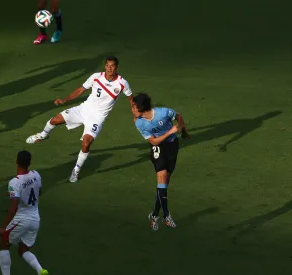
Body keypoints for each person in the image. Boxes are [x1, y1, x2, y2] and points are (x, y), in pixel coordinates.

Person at [26, 56, 132, 182]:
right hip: (83, 110)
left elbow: (131, 99)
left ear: (117, 67)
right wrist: (65, 99)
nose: (110, 68)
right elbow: (81, 89)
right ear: (105, 66)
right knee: (55, 120)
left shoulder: (122, 83)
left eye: (112, 65)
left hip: (97, 118)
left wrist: (136, 114)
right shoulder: (96, 76)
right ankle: (43, 135)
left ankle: (76, 171)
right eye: (108, 65)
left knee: (86, 143)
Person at [130, 93, 190, 231]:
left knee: (163, 184)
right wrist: (170, 132)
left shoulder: (162, 112)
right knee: (161, 178)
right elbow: (153, 141)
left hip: (172, 146)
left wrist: (184, 131)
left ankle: (155, 214)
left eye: (133, 107)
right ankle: (166, 216)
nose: (131, 110)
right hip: (158, 148)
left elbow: (178, 116)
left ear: (141, 107)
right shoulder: (139, 122)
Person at [0, 150, 48, 275]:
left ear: (16, 162)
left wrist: (3, 227)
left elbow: (13, 208)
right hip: (35, 219)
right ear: (29, 163)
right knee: (22, 249)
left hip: (22, 219)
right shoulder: (36, 175)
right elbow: (38, 192)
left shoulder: (14, 182)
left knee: (4, 245)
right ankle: (40, 270)